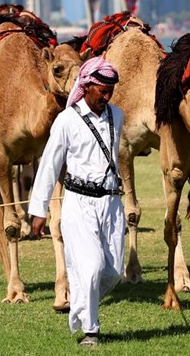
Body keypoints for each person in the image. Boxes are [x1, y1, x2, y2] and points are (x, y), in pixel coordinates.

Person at [28, 57, 125, 349]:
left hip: (111, 203)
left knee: (114, 272)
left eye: (110, 90)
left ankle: (81, 307)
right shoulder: (67, 120)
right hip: (79, 203)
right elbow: (49, 165)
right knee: (92, 267)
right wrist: (38, 210)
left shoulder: (117, 115)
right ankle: (91, 330)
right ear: (86, 86)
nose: (106, 96)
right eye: (101, 90)